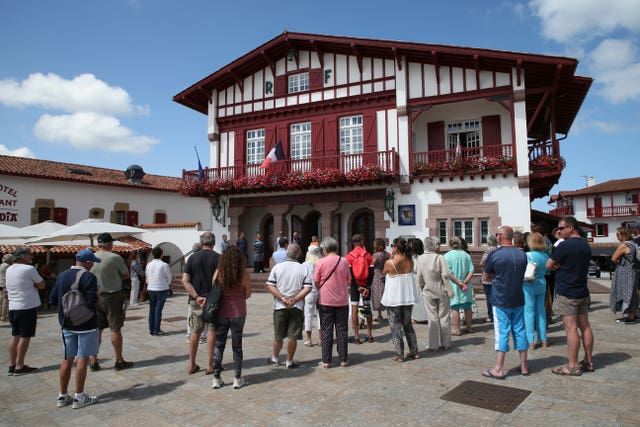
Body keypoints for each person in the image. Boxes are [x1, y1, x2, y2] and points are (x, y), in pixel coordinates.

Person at [48, 249, 101, 409]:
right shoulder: (89, 277)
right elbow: (92, 302)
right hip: (86, 324)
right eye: (92, 262)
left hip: (66, 323)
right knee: (82, 358)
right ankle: (79, 396)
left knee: (67, 359)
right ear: (87, 262)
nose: (92, 265)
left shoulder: (62, 276)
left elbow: (52, 300)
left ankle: (62, 395)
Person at [546, 216, 595, 376]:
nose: (558, 231)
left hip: (567, 291)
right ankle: (588, 361)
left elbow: (548, 264)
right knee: (585, 326)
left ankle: (573, 365)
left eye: (561, 228)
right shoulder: (585, 245)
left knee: (571, 328)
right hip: (582, 290)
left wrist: (558, 266)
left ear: (570, 228)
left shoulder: (565, 246)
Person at [481, 225, 529, 379]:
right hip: (518, 297)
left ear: (500, 237)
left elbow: (486, 275)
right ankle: (523, 366)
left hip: (501, 298)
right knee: (520, 330)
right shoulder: (522, 254)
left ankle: (499, 368)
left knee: (502, 332)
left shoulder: (495, 254)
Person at [89, 233, 132, 372]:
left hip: (95, 296)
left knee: (97, 330)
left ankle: (94, 360)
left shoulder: (91, 257)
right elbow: (125, 274)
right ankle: (119, 360)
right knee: (115, 328)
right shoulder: (115, 257)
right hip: (112, 296)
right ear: (109, 244)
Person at [265, 243, 312, 368]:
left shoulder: (278, 267)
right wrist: (295, 299)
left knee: (278, 334)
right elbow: (308, 287)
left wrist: (282, 298)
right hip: (297, 306)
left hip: (280, 305)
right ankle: (289, 360)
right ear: (299, 254)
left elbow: (270, 285)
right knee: (293, 335)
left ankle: (275, 357)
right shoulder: (303, 268)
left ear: (287, 253)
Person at [211, 246, 252, 389]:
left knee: (219, 345)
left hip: (221, 312)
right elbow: (248, 293)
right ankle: (237, 378)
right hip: (238, 312)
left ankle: (216, 378)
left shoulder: (218, 273)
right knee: (237, 346)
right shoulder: (243, 273)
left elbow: (214, 291)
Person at [182, 231, 220, 375]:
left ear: (201, 242)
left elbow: (185, 281)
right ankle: (210, 365)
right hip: (213, 301)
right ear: (214, 242)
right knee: (211, 331)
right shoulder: (218, 258)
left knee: (195, 332)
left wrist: (196, 296)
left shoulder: (192, 258)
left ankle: (191, 364)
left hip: (196, 300)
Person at [6, 247, 44, 375]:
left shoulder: (9, 269)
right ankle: (19, 365)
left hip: (13, 306)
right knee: (25, 337)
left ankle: (12, 365)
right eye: (29, 255)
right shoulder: (29, 269)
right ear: (23, 256)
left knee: (15, 335)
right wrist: (33, 285)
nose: (31, 257)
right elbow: (41, 284)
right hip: (27, 306)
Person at [314, 236, 351, 368]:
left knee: (326, 330)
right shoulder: (344, 261)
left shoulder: (321, 262)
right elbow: (348, 280)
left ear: (325, 248)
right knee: (342, 330)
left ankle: (326, 361)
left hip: (325, 300)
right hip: (341, 300)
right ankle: (343, 359)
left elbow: (316, 281)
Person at [381, 237, 420, 362]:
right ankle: (414, 351)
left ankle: (399, 354)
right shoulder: (410, 260)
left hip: (394, 298)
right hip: (407, 297)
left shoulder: (390, 262)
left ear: (395, 248)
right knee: (408, 325)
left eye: (393, 245)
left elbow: (383, 272)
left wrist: (391, 258)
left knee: (395, 326)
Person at [416, 237, 454, 351]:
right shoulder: (439, 257)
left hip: (428, 290)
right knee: (444, 316)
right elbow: (446, 273)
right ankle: (446, 343)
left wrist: (422, 286)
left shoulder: (421, 258)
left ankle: (433, 345)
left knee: (432, 318)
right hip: (441, 289)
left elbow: (419, 277)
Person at [345, 234, 374, 344]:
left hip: (354, 286)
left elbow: (349, 275)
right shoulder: (368, 255)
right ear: (362, 241)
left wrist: (357, 287)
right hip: (366, 285)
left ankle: (356, 337)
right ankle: (369, 334)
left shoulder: (349, 256)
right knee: (367, 308)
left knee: (354, 310)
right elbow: (371, 273)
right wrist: (366, 287)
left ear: (352, 242)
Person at [523, 232, 550, 349]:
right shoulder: (545, 255)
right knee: (541, 311)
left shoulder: (528, 255)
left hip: (529, 284)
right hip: (542, 282)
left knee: (529, 312)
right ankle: (543, 338)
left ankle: (530, 340)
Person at [444, 236, 474, 335]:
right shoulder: (466, 255)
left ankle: (457, 330)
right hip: (466, 285)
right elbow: (471, 270)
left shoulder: (447, 256)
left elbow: (448, 272)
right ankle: (469, 327)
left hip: (454, 285)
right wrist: (465, 281)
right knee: (467, 306)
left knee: (455, 307)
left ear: (450, 244)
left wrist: (458, 282)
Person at [609, 227, 638, 323]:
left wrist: (619, 261)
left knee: (625, 293)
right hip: (633, 270)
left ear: (623, 235)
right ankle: (634, 314)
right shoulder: (633, 244)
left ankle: (630, 317)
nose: (617, 236)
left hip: (625, 271)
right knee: (632, 292)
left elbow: (613, 258)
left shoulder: (624, 245)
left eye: (618, 234)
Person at [145, 246, 172, 336]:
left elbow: (147, 276)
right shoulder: (164, 265)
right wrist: (167, 284)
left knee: (152, 309)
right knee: (158, 310)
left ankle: (151, 329)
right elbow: (169, 277)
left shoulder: (149, 264)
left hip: (151, 288)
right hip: (161, 288)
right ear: (161, 254)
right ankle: (157, 329)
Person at [303, 246, 322, 347]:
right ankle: (320, 339)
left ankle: (309, 340)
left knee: (308, 315)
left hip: (308, 292)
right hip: (320, 292)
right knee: (320, 315)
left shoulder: (304, 265)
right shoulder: (321, 262)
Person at [479, 234, 499, 323]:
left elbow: (483, 262)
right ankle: (496, 315)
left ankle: (491, 316)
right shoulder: (498, 249)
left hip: (488, 277)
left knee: (489, 297)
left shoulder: (489, 250)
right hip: (497, 276)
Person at [371, 238, 390, 322]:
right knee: (386, 293)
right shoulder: (387, 254)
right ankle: (389, 313)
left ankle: (379, 315)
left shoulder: (376, 255)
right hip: (386, 275)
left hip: (377, 275)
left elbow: (372, 264)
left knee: (377, 294)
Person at [410, 237, 428, 323]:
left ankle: (416, 317)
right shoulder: (422, 257)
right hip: (421, 277)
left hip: (416, 278)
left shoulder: (415, 258)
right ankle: (423, 316)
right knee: (421, 299)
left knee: (417, 298)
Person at [0, 253, 13, 321]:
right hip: (5, 285)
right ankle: (3, 316)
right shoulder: (8, 266)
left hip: (1, 284)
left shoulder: (1, 265)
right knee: (5, 300)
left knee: (1, 300)